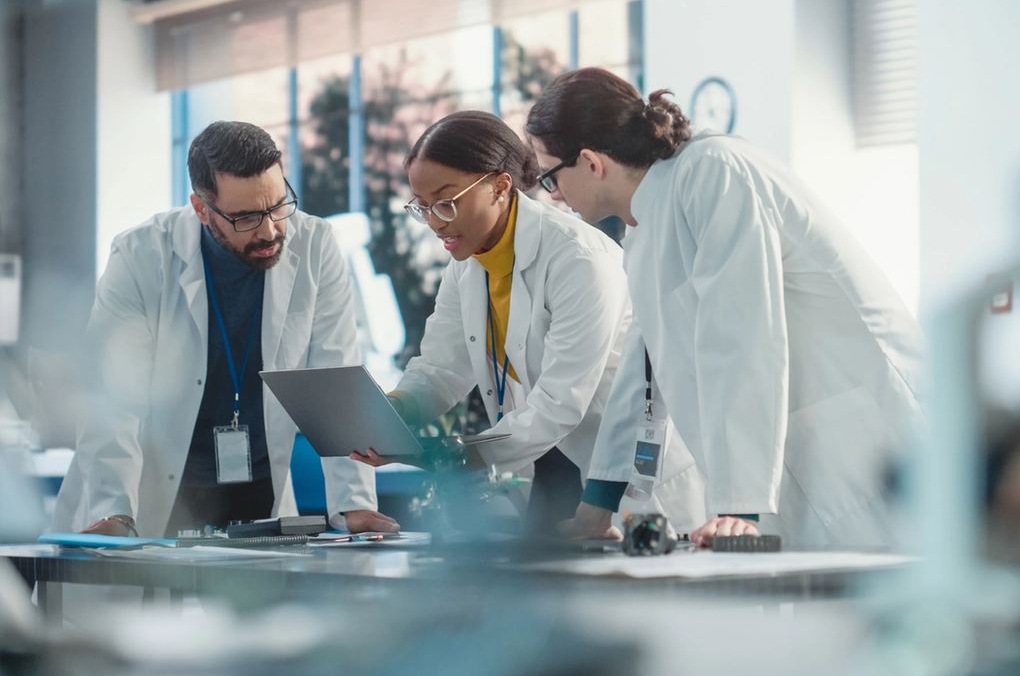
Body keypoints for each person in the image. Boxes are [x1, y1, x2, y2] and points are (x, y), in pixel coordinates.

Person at [525, 68, 926, 548]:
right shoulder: (645, 227)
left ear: (590, 162)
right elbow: (645, 371)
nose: (553, 195)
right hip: (797, 459)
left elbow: (742, 334)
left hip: (855, 438)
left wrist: (738, 504)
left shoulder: (713, 171)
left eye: (550, 177)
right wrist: (598, 504)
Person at [351, 110, 706, 535]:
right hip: (546, 474)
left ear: (500, 186)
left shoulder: (578, 259)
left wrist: (448, 454)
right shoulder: (468, 265)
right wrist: (397, 411)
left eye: (445, 203)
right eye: (421, 206)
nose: (433, 222)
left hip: (621, 478)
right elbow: (441, 368)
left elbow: (559, 406)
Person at [51, 121, 397, 538]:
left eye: (277, 206)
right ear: (202, 209)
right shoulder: (141, 254)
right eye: (247, 217)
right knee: (140, 599)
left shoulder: (315, 245)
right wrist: (115, 510)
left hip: (261, 487)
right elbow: (111, 398)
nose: (270, 231)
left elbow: (334, 383)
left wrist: (354, 505)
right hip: (155, 489)